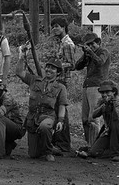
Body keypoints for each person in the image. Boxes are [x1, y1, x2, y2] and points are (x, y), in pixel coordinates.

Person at [16, 47, 68, 162]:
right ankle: (46, 146)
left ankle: (48, 151)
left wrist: (60, 120)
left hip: (48, 116)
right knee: (33, 155)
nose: (49, 70)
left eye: (53, 68)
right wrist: (22, 56)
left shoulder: (60, 87)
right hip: (32, 117)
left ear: (58, 72)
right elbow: (19, 72)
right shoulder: (34, 80)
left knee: (45, 127)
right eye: (48, 67)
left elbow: (62, 105)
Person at [79, 80, 119, 162]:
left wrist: (110, 106)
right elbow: (94, 115)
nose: (104, 95)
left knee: (115, 123)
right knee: (94, 152)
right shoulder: (102, 101)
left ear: (114, 92)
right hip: (109, 129)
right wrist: (104, 106)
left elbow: (116, 117)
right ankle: (110, 151)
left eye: (107, 92)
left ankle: (117, 154)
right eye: (102, 92)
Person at [75, 32, 111, 149]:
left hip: (97, 86)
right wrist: (85, 55)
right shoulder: (89, 54)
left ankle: (96, 146)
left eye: (92, 44)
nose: (91, 47)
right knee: (85, 119)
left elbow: (100, 63)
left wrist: (90, 53)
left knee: (94, 118)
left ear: (98, 42)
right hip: (87, 85)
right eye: (88, 45)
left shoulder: (103, 51)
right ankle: (89, 144)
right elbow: (77, 66)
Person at [51, 17, 77, 153]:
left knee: (62, 110)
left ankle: (63, 143)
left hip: (62, 80)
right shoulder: (59, 42)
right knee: (56, 110)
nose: (55, 29)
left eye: (57, 26)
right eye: (53, 26)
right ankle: (57, 140)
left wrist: (57, 66)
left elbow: (72, 64)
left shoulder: (67, 44)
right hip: (56, 79)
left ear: (63, 27)